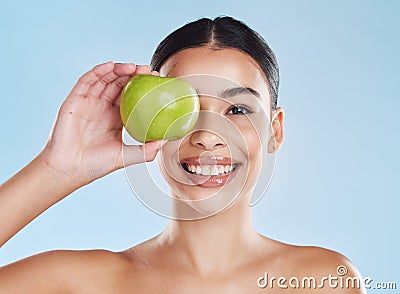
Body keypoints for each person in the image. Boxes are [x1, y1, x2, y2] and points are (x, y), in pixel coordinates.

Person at [0, 16, 365, 293]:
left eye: (237, 110)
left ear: (276, 130)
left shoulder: (323, 279)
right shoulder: (82, 283)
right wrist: (58, 168)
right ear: (146, 122)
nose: (208, 136)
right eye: (183, 108)